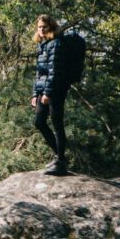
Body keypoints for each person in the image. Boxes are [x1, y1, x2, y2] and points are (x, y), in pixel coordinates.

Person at [32, 14, 72, 175]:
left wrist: (48, 92)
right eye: (39, 27)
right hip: (43, 90)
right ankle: (59, 156)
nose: (41, 30)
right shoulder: (43, 45)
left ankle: (60, 161)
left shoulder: (55, 44)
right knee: (39, 122)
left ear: (51, 27)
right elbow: (39, 72)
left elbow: (55, 71)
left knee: (57, 124)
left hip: (56, 90)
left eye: (44, 27)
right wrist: (35, 94)